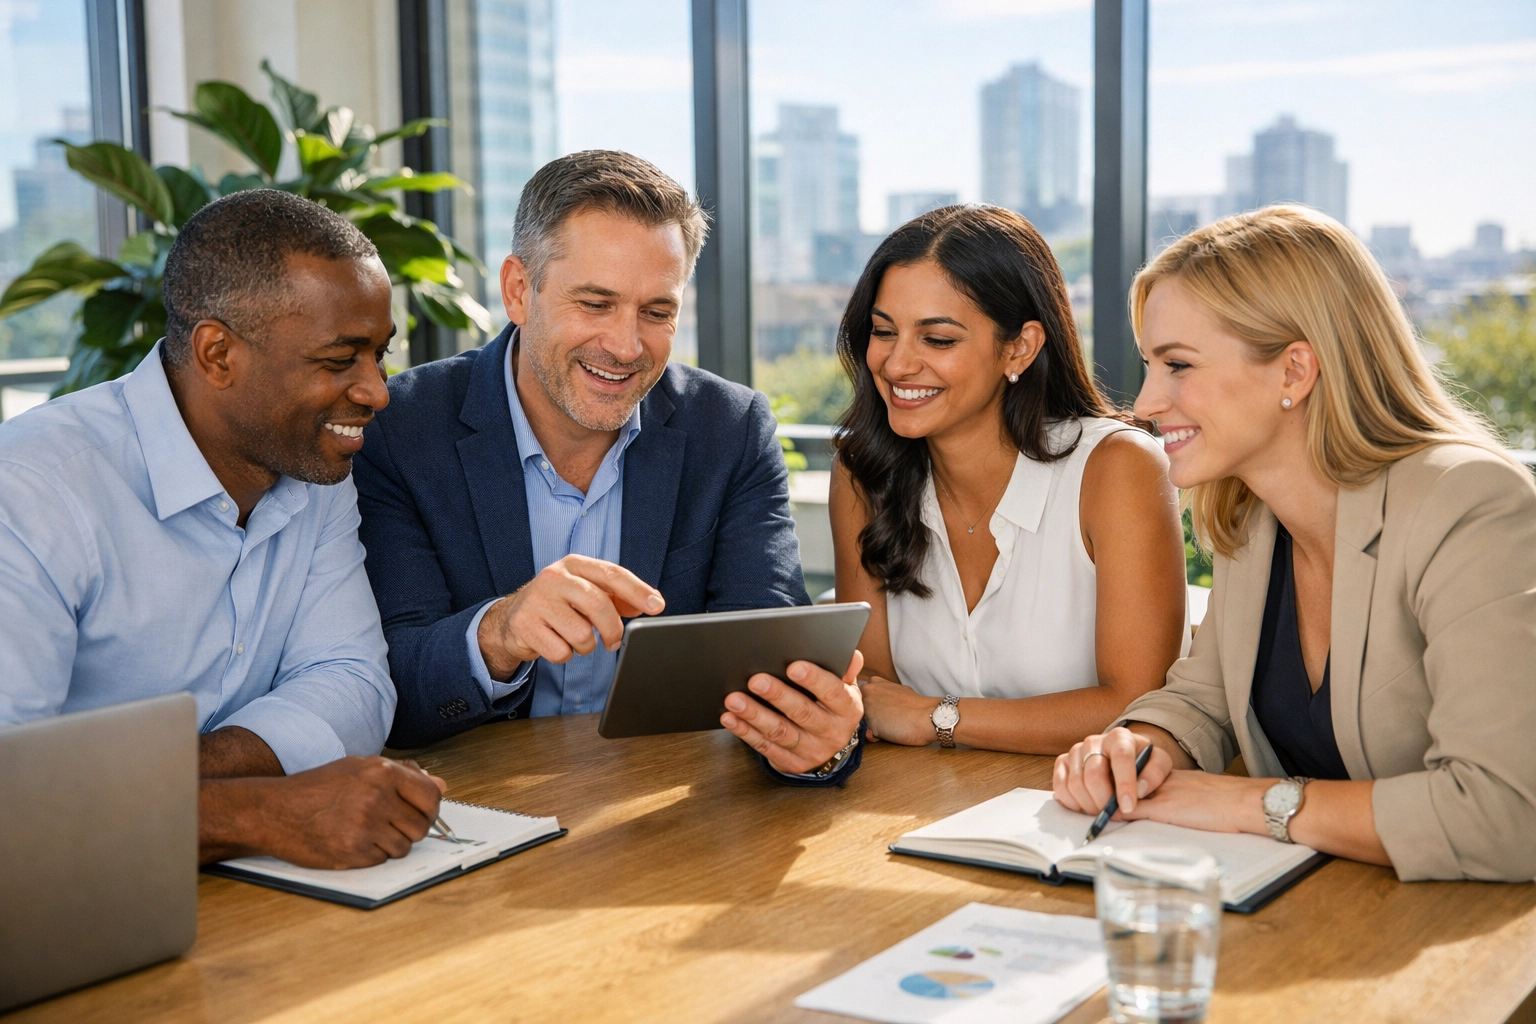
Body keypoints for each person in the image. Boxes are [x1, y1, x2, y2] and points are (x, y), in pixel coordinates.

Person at [1053, 205, 1536, 882]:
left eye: (1178, 365)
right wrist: (1136, 750)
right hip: (1325, 911)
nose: (1146, 402)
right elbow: (1202, 699)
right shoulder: (1253, 515)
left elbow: (1505, 815)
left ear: (1294, 372)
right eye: (1148, 364)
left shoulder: (1470, 502)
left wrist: (1252, 803)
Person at [355, 150, 864, 783]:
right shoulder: (400, 429)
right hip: (474, 811)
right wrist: (499, 632)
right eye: (595, 304)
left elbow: (772, 660)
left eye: (657, 312)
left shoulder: (728, 429)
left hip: (663, 815)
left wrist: (819, 741)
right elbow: (386, 685)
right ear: (519, 290)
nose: (626, 347)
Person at [0, 189, 446, 868]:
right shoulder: (34, 489)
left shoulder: (312, 463)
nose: (377, 391)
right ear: (216, 354)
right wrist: (264, 812)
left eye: (380, 354)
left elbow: (353, 682)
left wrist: (161, 783)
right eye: (338, 360)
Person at [829, 205, 1188, 755]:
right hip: (912, 806)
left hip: (1082, 815)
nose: (898, 365)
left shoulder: (1118, 468)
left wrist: (935, 718)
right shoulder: (862, 472)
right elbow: (870, 691)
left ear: (1019, 346)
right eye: (883, 331)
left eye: (938, 340)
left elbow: (1137, 704)